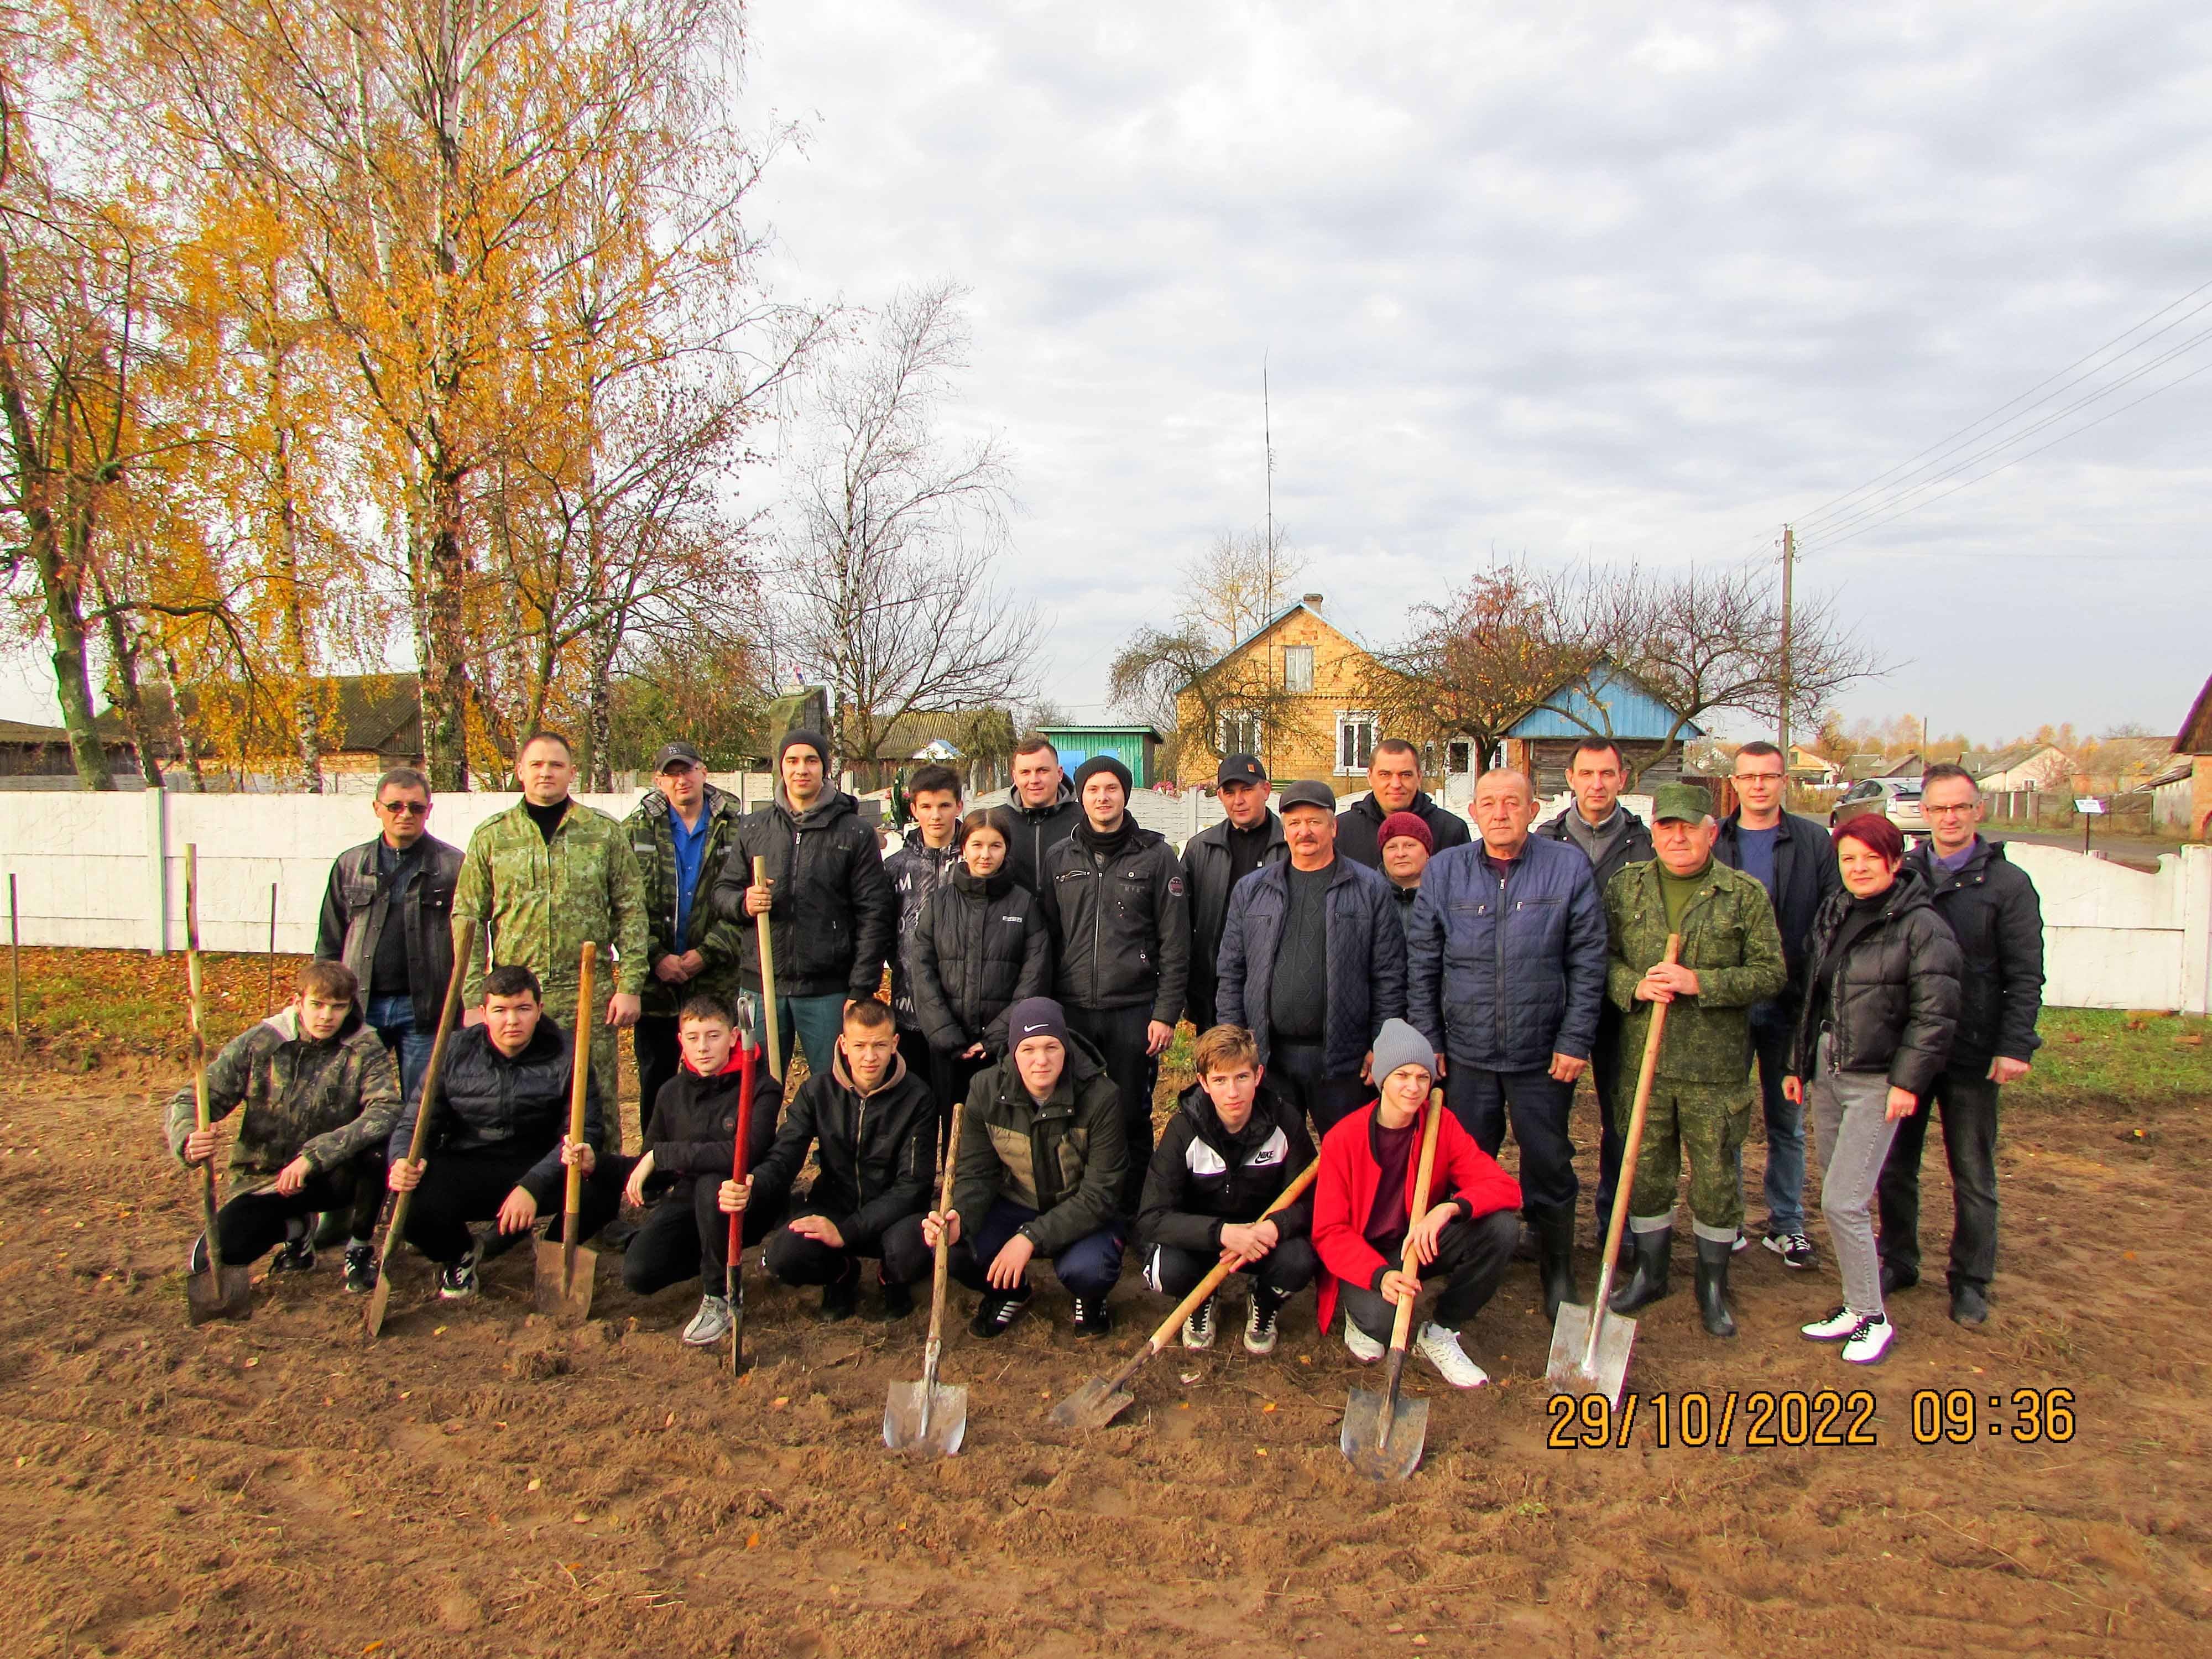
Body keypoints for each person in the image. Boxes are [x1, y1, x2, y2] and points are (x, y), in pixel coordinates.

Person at [1407, 768, 1606, 1321]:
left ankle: (1557, 1267)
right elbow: (1423, 963)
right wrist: (1430, 1039)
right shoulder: (1446, 871)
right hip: (1466, 1054)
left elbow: (1587, 961)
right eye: (1489, 803)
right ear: (1473, 812)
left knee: (1549, 1162)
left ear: (1533, 809)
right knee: (1466, 1162)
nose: (1500, 812)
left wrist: (1574, 1039)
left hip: (1542, 1054)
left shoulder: (1566, 868)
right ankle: (1470, 1257)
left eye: (1512, 803)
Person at [1601, 785, 1786, 1335]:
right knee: (1647, 1171)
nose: (1677, 838)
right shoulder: (1625, 888)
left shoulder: (1741, 894)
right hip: (1644, 1064)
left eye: (1688, 828)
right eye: (1666, 827)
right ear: (1652, 832)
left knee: (1714, 1178)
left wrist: (1698, 982)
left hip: (1714, 1069)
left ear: (1711, 832)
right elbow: (1600, 957)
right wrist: (1634, 986)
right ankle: (1651, 1273)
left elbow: (1770, 973)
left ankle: (1712, 1284)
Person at [1785, 816, 1961, 1366]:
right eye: (1848, 859)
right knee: (1840, 1199)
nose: (1858, 868)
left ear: (1893, 861)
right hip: (1831, 1070)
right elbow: (1813, 996)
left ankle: (1874, 1318)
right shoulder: (1836, 912)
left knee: (1844, 1199)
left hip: (1877, 1080)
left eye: (1869, 858)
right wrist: (1798, 1063)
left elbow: (1935, 1013)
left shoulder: (1921, 926)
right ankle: (1855, 1305)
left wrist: (1908, 1081)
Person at [1879, 763, 2045, 1327]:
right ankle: (1898, 1260)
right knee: (1895, 1165)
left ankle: (1970, 1280)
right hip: (1909, 1048)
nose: (1949, 818)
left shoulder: (2006, 885)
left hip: (1973, 1048)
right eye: (1937, 808)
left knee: (1971, 1170)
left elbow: (2025, 973)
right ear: (1921, 815)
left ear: (1978, 811)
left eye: (1959, 807)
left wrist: (2015, 1044)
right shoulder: (1904, 877)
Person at [453, 731, 646, 1151]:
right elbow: (468, 917)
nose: (546, 773)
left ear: (571, 773)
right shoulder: (493, 836)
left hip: (586, 993)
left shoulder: (602, 833)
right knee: (521, 1095)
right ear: (520, 771)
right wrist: (473, 999)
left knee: (596, 1094)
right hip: (517, 998)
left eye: (556, 765)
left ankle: (599, 1193)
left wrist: (630, 985)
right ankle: (528, 1187)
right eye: (537, 764)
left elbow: (631, 911)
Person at [385, 966, 623, 1300]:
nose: (512, 1021)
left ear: (539, 1010)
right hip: (469, 1161)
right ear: (483, 1014)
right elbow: (415, 1123)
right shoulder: (452, 1051)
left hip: (539, 1163)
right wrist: (401, 1160)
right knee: (409, 1200)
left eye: (523, 1009)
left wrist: (533, 1185)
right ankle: (460, 1253)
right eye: (500, 1010)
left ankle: (553, 1249)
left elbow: (584, 1132)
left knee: (603, 1182)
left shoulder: (571, 1054)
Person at [165, 961, 401, 1293]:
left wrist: (313, 1158)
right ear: (297, 1001)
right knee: (213, 1258)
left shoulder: (365, 1047)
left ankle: (359, 1247)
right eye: (317, 1005)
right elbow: (192, 1099)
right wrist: (188, 1138)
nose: (326, 1017)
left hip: (333, 1174)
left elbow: (386, 1110)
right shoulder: (261, 1042)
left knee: (379, 1151)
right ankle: (296, 1230)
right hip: (264, 1178)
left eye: (338, 1008)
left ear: (351, 1007)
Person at [1310, 1020, 1521, 1388]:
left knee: (1502, 1227)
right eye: (1402, 1075)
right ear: (1381, 1078)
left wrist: (1451, 1208)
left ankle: (1442, 1328)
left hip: (1417, 1244)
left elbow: (1505, 1188)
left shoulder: (1441, 1125)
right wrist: (1379, 1276)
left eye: (1423, 1076)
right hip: (1368, 1258)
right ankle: (1359, 1314)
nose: (1413, 1087)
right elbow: (1329, 1232)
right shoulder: (1343, 1139)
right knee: (1386, 1324)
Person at [924, 997, 1127, 1338]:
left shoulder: (1101, 1096)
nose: (1041, 1061)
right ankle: (1010, 1291)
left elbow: (1101, 1193)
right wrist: (960, 1218)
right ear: (1013, 1052)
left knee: (1091, 1270)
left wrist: (1030, 1237)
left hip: (1079, 1208)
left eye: (1051, 1047)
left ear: (1067, 1048)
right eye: (1028, 1049)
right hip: (1016, 1203)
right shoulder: (985, 1090)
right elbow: (976, 1175)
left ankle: (1090, 1298)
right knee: (956, 1252)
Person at [1038, 754, 1188, 1213]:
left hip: (1134, 1009)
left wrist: (1165, 1014)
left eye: (1111, 789)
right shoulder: (1059, 857)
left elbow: (1176, 941)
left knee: (1130, 1115)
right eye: (1093, 790)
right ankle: (1077, 1207)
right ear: (1079, 797)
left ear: (1126, 794)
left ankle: (1134, 1211)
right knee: (1072, 1110)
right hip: (1073, 1008)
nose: (1102, 798)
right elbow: (1046, 935)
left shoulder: (1158, 856)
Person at [1215, 779, 1405, 1136]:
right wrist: (1236, 1044)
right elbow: (1231, 971)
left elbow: (1389, 975)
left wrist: (1381, 1042)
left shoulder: (1369, 888)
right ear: (1284, 830)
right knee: (1274, 1157)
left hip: (1342, 1060)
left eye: (1315, 821)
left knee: (1350, 1158)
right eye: (1295, 823)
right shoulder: (1253, 889)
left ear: (1333, 827)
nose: (1305, 831)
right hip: (1269, 1057)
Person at [1713, 738, 1840, 1270]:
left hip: (1791, 1003)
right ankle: (1729, 1219)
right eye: (1749, 777)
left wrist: (1817, 984)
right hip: (1727, 1003)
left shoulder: (1812, 842)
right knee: (1726, 1116)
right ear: (1735, 784)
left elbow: (1834, 915)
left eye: (1769, 776)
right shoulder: (1715, 840)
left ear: (1784, 781)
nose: (1759, 785)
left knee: (1785, 1119)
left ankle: (1787, 1223)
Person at [736, 997, 937, 1322]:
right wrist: (755, 1184)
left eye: (879, 1045)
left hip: (893, 1213)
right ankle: (840, 1274)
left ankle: (892, 1279)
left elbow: (913, 1185)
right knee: (785, 1256)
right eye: (860, 1045)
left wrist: (847, 1231)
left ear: (895, 1043)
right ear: (843, 1044)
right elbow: (786, 1153)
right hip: (834, 1202)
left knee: (912, 1250)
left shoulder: (918, 1097)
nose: (869, 1057)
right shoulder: (817, 1091)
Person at [711, 729, 896, 1079]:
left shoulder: (853, 832)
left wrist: (861, 987)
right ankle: (765, 1139)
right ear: (780, 767)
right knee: (758, 1086)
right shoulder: (754, 828)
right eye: (792, 761)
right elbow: (722, 893)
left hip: (826, 989)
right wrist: (744, 902)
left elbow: (875, 914)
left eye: (811, 760)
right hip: (762, 985)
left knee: (835, 1086)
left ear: (824, 768)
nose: (801, 769)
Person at [606, 994, 784, 1346]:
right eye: (693, 1038)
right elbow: (652, 1163)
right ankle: (709, 1255)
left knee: (711, 1182)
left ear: (735, 1036)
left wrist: (664, 1155)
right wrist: (609, 1166)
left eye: (713, 1036)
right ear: (681, 1041)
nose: (702, 1048)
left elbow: (742, 1155)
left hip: (744, 1200)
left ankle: (719, 1295)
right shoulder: (671, 1093)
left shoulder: (761, 1087)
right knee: (640, 1273)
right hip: (688, 1202)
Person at [1535, 738, 1655, 1256]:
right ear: (1572, 779)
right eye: (1587, 773)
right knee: (1547, 1123)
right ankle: (1546, 1224)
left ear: (1623, 779)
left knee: (1622, 1118)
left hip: (1626, 1001)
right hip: (1556, 1000)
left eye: (1607, 774)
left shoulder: (1645, 844)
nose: (1597, 784)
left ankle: (1616, 1224)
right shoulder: (1546, 840)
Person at [1137, 1024, 1318, 1355]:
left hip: (1262, 1240)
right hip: (1206, 1241)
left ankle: (1264, 1298)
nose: (1232, 1092)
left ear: (1258, 1075)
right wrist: (1221, 1233)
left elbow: (1311, 1201)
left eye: (1241, 1078)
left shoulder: (1285, 1123)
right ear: (1204, 1083)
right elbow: (1151, 1217)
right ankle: (1202, 1298)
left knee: (1301, 1261)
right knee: (1165, 1271)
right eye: (1220, 1081)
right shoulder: (1183, 1130)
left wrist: (1274, 1227)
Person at [315, 765, 464, 1105]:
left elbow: (471, 940)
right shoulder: (350, 865)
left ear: (429, 810)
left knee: (422, 1104)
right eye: (395, 806)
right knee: (351, 1101)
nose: (405, 814)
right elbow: (330, 940)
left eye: (416, 807)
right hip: (360, 1007)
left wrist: (466, 1002)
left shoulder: (453, 866)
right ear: (377, 808)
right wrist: (322, 999)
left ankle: (414, 1160)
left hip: (425, 1008)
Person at [625, 742, 747, 1142]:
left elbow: (749, 900)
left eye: (688, 770)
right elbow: (622, 905)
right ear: (658, 780)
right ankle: (655, 1159)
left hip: (716, 975)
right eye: (671, 773)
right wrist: (656, 957)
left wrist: (706, 954)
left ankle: (714, 1155)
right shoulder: (635, 829)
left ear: (703, 772)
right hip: (656, 977)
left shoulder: (738, 827)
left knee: (715, 1069)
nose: (681, 780)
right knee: (656, 1072)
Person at [909, 806, 1052, 1131]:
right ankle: (952, 1180)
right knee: (954, 1125)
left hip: (1002, 1047)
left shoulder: (1024, 905)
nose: (985, 855)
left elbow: (1033, 978)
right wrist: (947, 1036)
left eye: (995, 845)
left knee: (1003, 1126)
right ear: (964, 848)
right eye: (977, 845)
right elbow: (922, 970)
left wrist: (996, 1039)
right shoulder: (940, 902)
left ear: (1007, 850)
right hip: (948, 1046)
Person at [1180, 753, 1286, 1031]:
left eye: (1247, 790)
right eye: (1230, 792)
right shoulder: (1200, 849)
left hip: (1278, 988)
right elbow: (1179, 923)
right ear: (1220, 796)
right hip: (1214, 990)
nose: (1238, 800)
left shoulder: (1290, 847)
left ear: (1266, 790)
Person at [885, 763, 966, 1101]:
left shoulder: (976, 862)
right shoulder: (895, 867)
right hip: (909, 1009)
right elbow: (882, 930)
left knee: (958, 1108)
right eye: (927, 807)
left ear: (959, 806)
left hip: (963, 1012)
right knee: (914, 1108)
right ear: (914, 808)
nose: (936, 816)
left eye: (945, 805)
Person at [1335, 738, 1471, 869]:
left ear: (1419, 777)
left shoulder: (1451, 831)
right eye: (1385, 775)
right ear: (1370, 777)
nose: (1396, 784)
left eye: (1405, 775)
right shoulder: (1342, 831)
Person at [1002, 734, 1082, 894]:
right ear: (1015, 777)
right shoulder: (997, 823)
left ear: (1059, 774)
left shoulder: (1084, 821)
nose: (1034, 780)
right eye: (1025, 772)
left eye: (1042, 771)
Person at [1377, 811, 1431, 941]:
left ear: (1427, 852)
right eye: (1392, 847)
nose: (1400, 854)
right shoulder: (1368, 897)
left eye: (1410, 845)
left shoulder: (1445, 897)